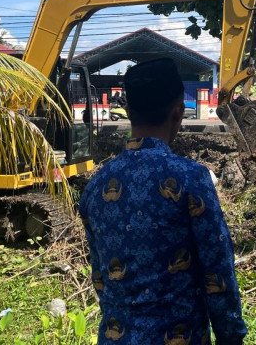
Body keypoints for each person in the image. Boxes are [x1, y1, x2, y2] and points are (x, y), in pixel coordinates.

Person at [79, 58, 247, 345]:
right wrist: (231, 336)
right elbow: (218, 270)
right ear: (179, 112)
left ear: (128, 112)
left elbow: (101, 280)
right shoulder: (192, 179)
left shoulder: (95, 188)